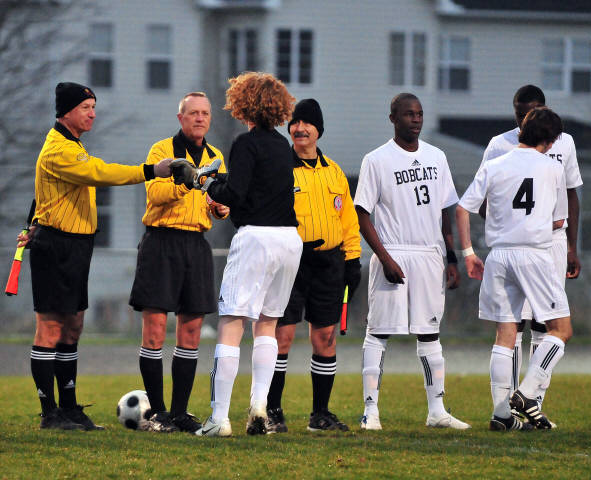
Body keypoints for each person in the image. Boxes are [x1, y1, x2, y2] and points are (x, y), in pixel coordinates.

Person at [20, 82, 173, 430]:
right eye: (86, 107)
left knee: (73, 326)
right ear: (67, 112)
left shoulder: (73, 145)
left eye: (93, 107)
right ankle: (50, 413)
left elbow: (45, 194)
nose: (92, 113)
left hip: (75, 246)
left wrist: (31, 221)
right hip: (56, 245)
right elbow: (100, 173)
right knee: (50, 327)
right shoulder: (60, 148)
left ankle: (69, 408)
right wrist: (150, 170)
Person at [179, 72, 302, 437]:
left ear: (244, 104)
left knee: (232, 324)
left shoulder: (245, 143)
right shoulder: (284, 146)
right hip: (289, 239)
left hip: (257, 238)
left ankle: (219, 419)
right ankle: (259, 409)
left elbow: (235, 193)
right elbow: (255, 185)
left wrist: (203, 181)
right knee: (267, 325)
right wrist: (218, 181)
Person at [354, 93, 470, 431]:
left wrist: (451, 258)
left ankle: (437, 410)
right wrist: (384, 257)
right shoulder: (376, 159)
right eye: (408, 114)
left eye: (419, 114)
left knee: (430, 333)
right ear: (393, 118)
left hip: (429, 256)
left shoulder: (437, 156)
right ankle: (370, 411)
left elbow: (445, 211)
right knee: (379, 333)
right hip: (393, 252)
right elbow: (362, 214)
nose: (415, 119)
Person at [456, 106, 571, 431]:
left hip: (499, 256)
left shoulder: (494, 165)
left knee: (505, 335)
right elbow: (558, 221)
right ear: (549, 139)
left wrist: (468, 253)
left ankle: (501, 415)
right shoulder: (552, 168)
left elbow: (463, 209)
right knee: (561, 329)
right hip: (534, 255)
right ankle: (527, 393)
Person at [128, 92, 229, 434]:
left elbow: (217, 198)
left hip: (196, 245)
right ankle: (158, 413)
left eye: (205, 113)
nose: (199, 118)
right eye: (193, 113)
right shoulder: (162, 151)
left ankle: (179, 412)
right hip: (161, 241)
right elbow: (155, 194)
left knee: (191, 331)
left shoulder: (216, 157)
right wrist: (187, 183)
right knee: (155, 330)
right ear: (180, 117)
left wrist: (220, 207)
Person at [479, 85, 582, 412]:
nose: (523, 119)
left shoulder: (564, 141)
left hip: (554, 241)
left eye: (530, 113)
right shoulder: (500, 144)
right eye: (518, 113)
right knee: (515, 326)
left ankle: (533, 402)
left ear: (543, 112)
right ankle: (509, 406)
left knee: (545, 326)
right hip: (520, 241)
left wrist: (572, 246)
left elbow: (571, 194)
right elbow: (483, 201)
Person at [264, 99, 362, 434]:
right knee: (282, 336)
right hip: (290, 261)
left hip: (329, 263)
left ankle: (320, 415)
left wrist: (352, 260)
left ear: (319, 130)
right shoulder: (280, 167)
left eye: (307, 123)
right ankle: (272, 411)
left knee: (325, 337)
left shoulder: (333, 171)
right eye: (295, 122)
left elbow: (348, 220)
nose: (300, 128)